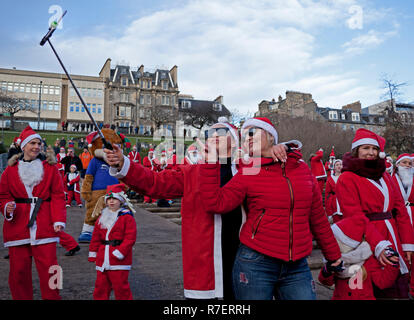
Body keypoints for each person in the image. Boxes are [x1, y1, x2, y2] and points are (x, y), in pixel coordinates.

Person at [104, 117, 289, 300]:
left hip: (246, 263)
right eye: (210, 132)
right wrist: (123, 163)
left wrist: (276, 149)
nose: (215, 134)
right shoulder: (190, 173)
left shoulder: (248, 170)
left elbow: (280, 177)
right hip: (204, 265)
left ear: (234, 141)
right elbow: (154, 182)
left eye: (222, 131)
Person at [197, 116, 342, 300]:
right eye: (243, 136)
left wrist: (333, 255)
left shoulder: (301, 169)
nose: (247, 138)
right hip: (255, 263)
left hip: (297, 266)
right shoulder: (248, 169)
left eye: (252, 132)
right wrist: (209, 162)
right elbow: (215, 203)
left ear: (271, 136)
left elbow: (317, 218)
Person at [335, 128, 414, 299]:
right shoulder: (347, 178)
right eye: (366, 148)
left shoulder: (384, 176)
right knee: (374, 288)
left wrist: (407, 243)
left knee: (397, 287)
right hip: (367, 241)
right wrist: (379, 246)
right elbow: (355, 217)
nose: (371, 152)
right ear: (356, 150)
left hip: (393, 238)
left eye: (375, 149)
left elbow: (400, 210)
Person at [0, 126, 66, 300]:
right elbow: (3, 195)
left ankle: (54, 297)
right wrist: (6, 207)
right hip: (17, 226)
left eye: (39, 143)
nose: (37, 147)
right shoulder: (10, 171)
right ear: (23, 147)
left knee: (52, 270)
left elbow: (58, 195)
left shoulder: (50, 168)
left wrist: (59, 219)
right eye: (33, 143)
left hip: (44, 225)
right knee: (18, 272)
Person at [318, 217, 400, 300]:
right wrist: (327, 270)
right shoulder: (336, 259)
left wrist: (392, 263)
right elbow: (326, 281)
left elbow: (383, 282)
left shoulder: (367, 257)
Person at [88, 183, 137, 300]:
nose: (111, 201)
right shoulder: (102, 216)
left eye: (114, 198)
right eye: (109, 199)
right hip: (102, 258)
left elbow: (130, 238)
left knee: (121, 288)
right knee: (100, 288)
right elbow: (95, 237)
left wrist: (120, 252)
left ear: (121, 200)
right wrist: (93, 252)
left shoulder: (127, 217)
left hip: (119, 259)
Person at [391, 153, 414, 298]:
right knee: (401, 253)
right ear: (397, 164)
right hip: (398, 218)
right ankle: (401, 287)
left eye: (409, 163)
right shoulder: (391, 180)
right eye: (404, 163)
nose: (407, 165)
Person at [325, 159, 343, 224]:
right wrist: (329, 212)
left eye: (340, 164)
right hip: (334, 206)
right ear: (334, 167)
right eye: (337, 165)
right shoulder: (330, 179)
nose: (339, 166)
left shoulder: (346, 177)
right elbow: (327, 196)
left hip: (344, 206)